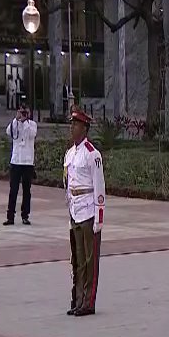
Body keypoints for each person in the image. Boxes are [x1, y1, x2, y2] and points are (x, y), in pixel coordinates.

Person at [64, 106, 106, 317]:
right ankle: (78, 299)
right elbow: (68, 183)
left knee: (90, 260)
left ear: (85, 128)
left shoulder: (93, 155)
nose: (72, 128)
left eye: (76, 124)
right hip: (75, 210)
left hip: (89, 210)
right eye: (72, 124)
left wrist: (99, 218)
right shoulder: (70, 153)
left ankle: (89, 302)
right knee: (78, 260)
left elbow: (99, 188)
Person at [3, 105, 37, 226]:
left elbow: (31, 134)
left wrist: (25, 121)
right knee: (13, 190)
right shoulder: (14, 124)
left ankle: (25, 216)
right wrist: (16, 119)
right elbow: (9, 132)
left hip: (27, 162)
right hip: (16, 161)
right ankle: (10, 216)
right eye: (21, 112)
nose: (23, 114)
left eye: (25, 112)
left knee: (27, 190)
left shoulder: (32, 124)